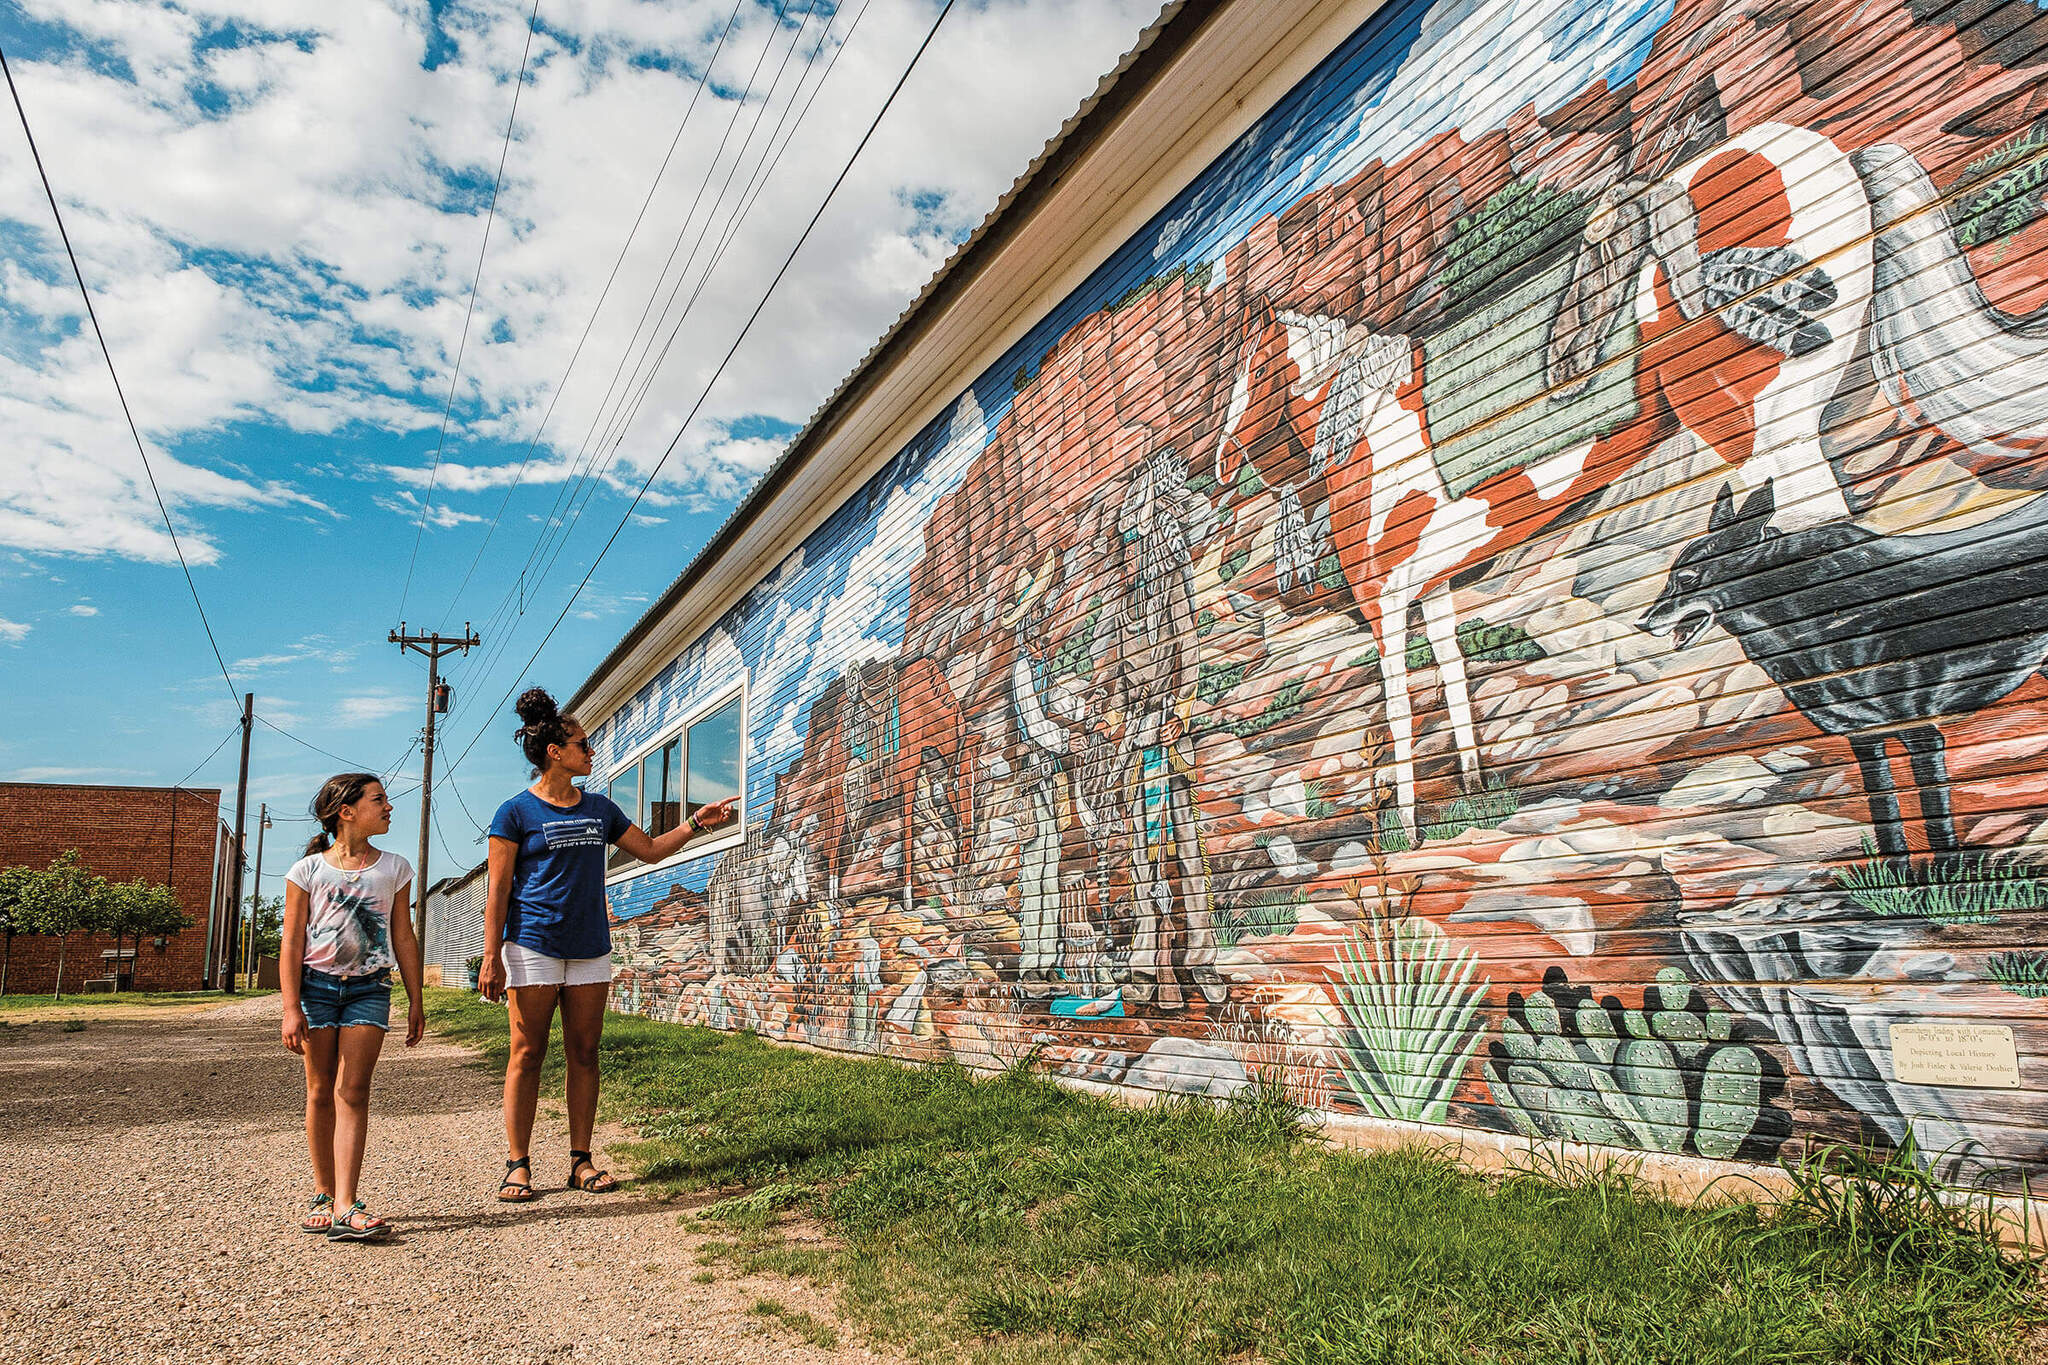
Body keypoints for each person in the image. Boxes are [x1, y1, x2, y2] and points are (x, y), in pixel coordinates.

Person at [480, 686, 737, 1201]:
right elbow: (499, 887)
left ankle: (581, 1160)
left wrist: (694, 824)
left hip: (590, 947)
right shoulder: (514, 813)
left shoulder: (600, 808)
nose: (590, 750)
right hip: (532, 945)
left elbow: (648, 851)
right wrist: (492, 957)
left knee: (585, 1052)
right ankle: (517, 1163)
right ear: (555, 752)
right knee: (527, 1053)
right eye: (583, 743)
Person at [279, 773, 425, 1242]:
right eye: (379, 800)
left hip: (370, 990)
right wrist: (289, 1008)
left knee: (354, 1091)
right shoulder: (307, 872)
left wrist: (416, 997)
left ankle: (346, 1202)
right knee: (321, 1091)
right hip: (316, 989)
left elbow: (403, 935)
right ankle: (322, 1193)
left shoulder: (396, 868)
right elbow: (292, 942)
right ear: (346, 811)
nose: (388, 807)